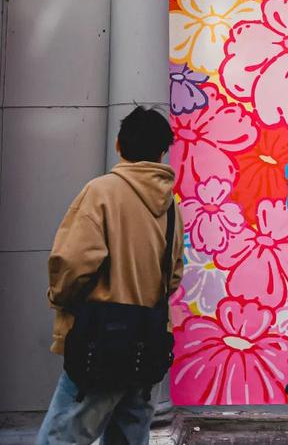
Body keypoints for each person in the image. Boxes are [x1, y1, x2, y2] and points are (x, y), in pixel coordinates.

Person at [37, 107, 184, 445]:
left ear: (119, 145)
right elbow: (172, 277)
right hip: (150, 340)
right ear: (163, 151)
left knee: (63, 435)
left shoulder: (100, 192)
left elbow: (72, 262)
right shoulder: (171, 205)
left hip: (101, 338)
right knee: (131, 434)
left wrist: (58, 297)